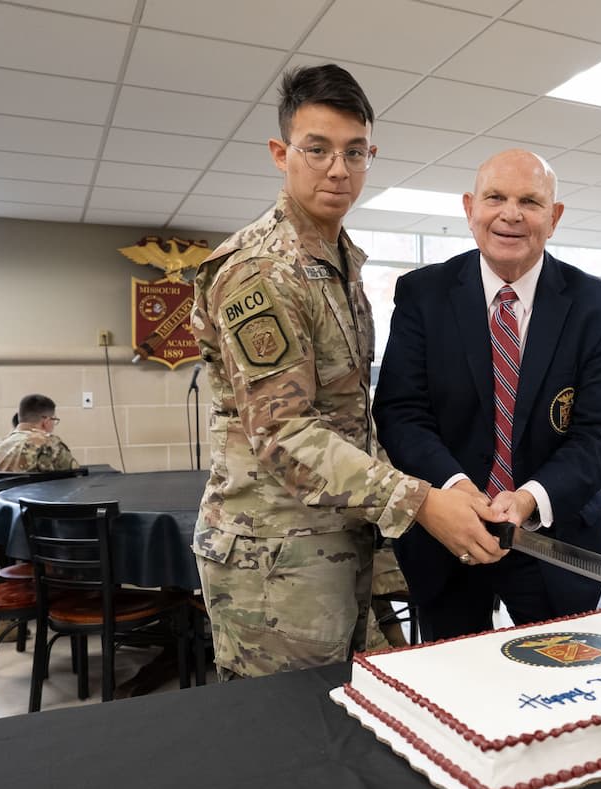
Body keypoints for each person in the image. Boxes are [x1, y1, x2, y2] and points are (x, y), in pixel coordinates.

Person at [189, 64, 504, 680]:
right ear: (282, 154)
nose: (338, 168)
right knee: (290, 743)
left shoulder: (337, 262)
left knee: (344, 736)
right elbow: (284, 435)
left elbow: (349, 415)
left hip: (337, 537)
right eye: (318, 149)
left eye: (354, 152)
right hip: (274, 559)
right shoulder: (262, 269)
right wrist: (418, 502)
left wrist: (448, 486)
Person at [373, 148, 601, 641]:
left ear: (553, 218)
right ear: (470, 209)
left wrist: (531, 499)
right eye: (496, 197)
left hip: (551, 536)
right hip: (445, 532)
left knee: (564, 682)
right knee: (453, 683)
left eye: (530, 201)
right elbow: (401, 412)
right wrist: (454, 488)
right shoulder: (422, 295)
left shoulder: (600, 309)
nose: (511, 214)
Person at [0, 394, 80, 479]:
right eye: (54, 420)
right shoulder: (50, 444)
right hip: (31, 502)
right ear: (46, 421)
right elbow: (76, 477)